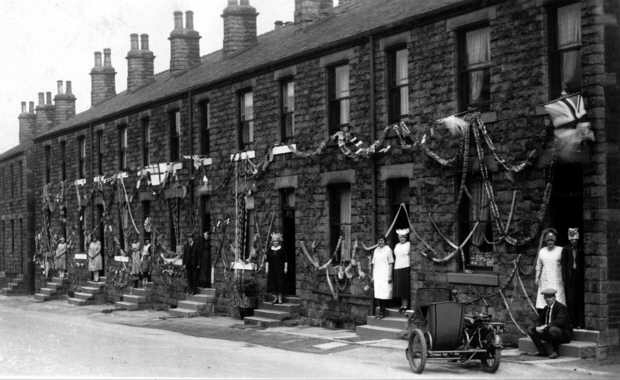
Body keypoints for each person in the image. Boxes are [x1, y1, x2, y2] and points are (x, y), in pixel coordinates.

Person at [527, 288, 573, 359]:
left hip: (562, 333)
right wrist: (537, 327)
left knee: (552, 329)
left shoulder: (561, 307)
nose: (547, 300)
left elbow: (559, 321)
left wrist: (546, 326)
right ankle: (542, 351)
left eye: (550, 297)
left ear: (554, 297)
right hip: (547, 330)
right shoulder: (546, 308)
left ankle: (554, 351)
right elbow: (539, 320)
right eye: (546, 298)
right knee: (531, 329)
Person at [535, 229, 565, 309]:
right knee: (544, 302)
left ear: (555, 240)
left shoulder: (560, 250)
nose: (550, 242)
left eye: (552, 240)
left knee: (558, 301)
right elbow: (538, 265)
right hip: (545, 280)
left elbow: (566, 265)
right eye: (548, 240)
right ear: (545, 241)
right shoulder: (542, 251)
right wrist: (537, 277)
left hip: (557, 279)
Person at [562, 228, 583, 328]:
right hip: (569, 278)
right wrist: (565, 278)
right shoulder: (566, 249)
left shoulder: (580, 249)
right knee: (570, 300)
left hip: (577, 277)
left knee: (578, 300)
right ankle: (571, 322)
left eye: (575, 239)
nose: (574, 241)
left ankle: (579, 322)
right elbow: (564, 265)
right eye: (572, 239)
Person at [371, 236, 394, 319]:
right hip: (377, 274)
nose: (380, 242)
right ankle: (380, 311)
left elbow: (391, 263)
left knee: (384, 293)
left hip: (385, 274)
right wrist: (373, 276)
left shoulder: (388, 250)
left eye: (382, 241)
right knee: (378, 293)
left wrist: (389, 275)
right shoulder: (376, 250)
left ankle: (382, 312)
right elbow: (373, 264)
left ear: (385, 241)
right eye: (379, 241)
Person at [266, 232, 287, 304]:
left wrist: (285, 268)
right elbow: (267, 260)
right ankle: (275, 297)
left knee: (280, 282)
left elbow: (285, 260)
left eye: (277, 241)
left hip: (280, 269)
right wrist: (266, 269)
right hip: (272, 269)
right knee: (273, 283)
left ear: (279, 242)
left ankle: (280, 298)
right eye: (274, 241)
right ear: (272, 242)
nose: (275, 243)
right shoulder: (270, 250)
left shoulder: (281, 249)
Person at [393, 229, 411, 313]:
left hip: (405, 266)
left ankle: (405, 305)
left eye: (403, 237)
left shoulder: (408, 244)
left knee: (404, 287)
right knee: (399, 287)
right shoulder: (397, 245)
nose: (402, 239)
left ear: (406, 237)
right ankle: (401, 304)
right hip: (397, 267)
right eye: (400, 237)